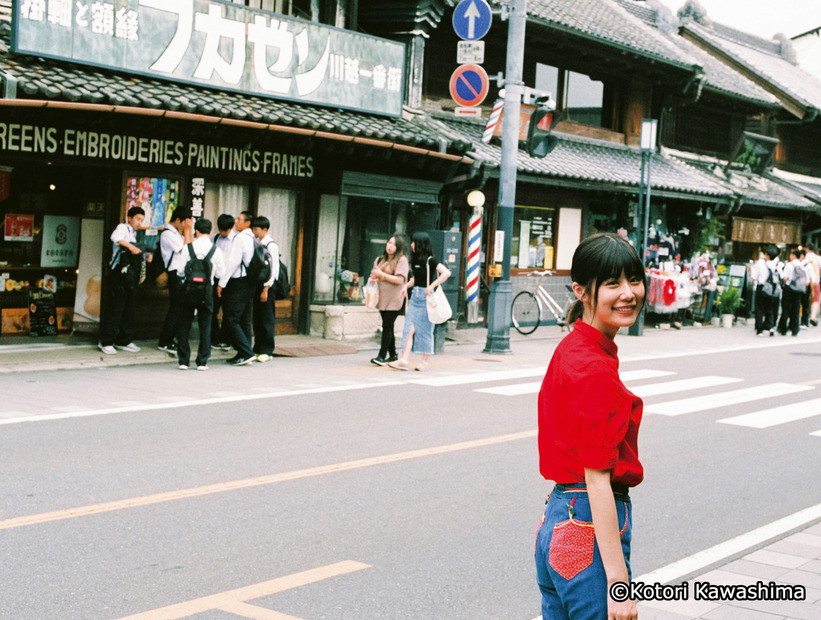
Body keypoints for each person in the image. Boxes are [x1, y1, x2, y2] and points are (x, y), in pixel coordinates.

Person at [534, 233, 646, 620]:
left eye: (634, 279)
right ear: (581, 290)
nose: (628, 293)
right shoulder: (594, 367)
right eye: (613, 283)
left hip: (558, 520)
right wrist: (620, 586)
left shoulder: (574, 348)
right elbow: (597, 477)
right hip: (587, 525)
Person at [388, 231, 451, 372]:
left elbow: (446, 273)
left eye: (414, 242)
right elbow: (416, 279)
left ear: (420, 244)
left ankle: (424, 361)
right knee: (408, 328)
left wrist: (432, 286)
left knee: (426, 330)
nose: (411, 244)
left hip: (426, 298)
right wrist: (406, 286)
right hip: (415, 297)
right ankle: (404, 359)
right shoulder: (415, 260)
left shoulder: (430, 260)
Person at [175, 218, 224, 370]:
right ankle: (202, 361)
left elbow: (180, 271)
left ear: (196, 231)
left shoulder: (188, 248)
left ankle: (183, 361)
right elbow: (221, 273)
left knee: (184, 324)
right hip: (206, 290)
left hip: (188, 290)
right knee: (206, 325)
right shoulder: (216, 250)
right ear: (210, 232)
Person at [98, 206, 147, 355]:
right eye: (137, 219)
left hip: (130, 276)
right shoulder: (122, 228)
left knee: (128, 308)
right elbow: (115, 238)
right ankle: (105, 341)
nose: (139, 222)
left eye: (142, 220)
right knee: (116, 307)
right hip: (118, 275)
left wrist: (145, 256)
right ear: (130, 218)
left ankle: (123, 340)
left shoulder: (134, 234)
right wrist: (131, 247)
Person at [217, 210, 257, 366]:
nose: (236, 221)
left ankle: (246, 352)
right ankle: (244, 352)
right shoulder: (253, 238)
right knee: (244, 320)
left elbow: (232, 262)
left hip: (238, 282)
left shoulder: (240, 238)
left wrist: (222, 283)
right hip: (249, 282)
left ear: (247, 223)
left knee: (231, 319)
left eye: (239, 219)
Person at [156, 208, 194, 355]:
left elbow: (191, 248)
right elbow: (184, 250)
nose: (186, 226)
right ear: (178, 220)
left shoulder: (176, 233)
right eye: (185, 222)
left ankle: (172, 339)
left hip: (182, 275)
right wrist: (187, 231)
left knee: (179, 309)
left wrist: (188, 230)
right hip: (175, 275)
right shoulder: (167, 234)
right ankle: (165, 341)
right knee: (176, 308)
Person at [369, 234, 409, 366]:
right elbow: (374, 273)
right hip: (382, 298)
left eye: (393, 244)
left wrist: (382, 275)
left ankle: (381, 355)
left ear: (398, 247)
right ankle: (392, 355)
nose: (390, 246)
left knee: (387, 325)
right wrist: (374, 277)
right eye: (389, 243)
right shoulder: (380, 259)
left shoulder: (402, 260)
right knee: (388, 326)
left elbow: (399, 280)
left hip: (394, 299)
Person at [250, 216, 280, 363]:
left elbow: (274, 270)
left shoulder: (271, 245)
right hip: (257, 285)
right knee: (257, 318)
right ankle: (258, 347)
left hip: (267, 286)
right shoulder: (257, 243)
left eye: (256, 229)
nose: (254, 232)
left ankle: (267, 350)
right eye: (253, 229)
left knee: (266, 318)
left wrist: (266, 288)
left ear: (264, 230)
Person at [211, 214, 236, 351]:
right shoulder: (215, 238)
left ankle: (226, 339)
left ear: (231, 228)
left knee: (228, 311)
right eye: (220, 229)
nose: (222, 233)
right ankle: (215, 337)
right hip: (216, 279)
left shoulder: (236, 240)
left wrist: (223, 282)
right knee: (212, 309)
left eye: (225, 230)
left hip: (230, 280)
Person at [752, 245, 780, 337]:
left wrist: (751, 270)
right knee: (770, 308)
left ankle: (759, 329)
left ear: (767, 255)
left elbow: (754, 276)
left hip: (762, 287)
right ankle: (770, 327)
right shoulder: (777, 264)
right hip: (772, 288)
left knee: (759, 308)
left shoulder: (761, 263)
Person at [778, 247, 803, 337]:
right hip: (798, 289)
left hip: (789, 289)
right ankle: (795, 329)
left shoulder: (789, 265)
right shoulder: (802, 265)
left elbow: (785, 278)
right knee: (796, 309)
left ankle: (783, 328)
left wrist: (784, 285)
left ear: (793, 256)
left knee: (786, 308)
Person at [805, 243, 821, 326]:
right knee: (815, 299)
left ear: (806, 248)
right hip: (815, 281)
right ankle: (813, 317)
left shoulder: (803, 256)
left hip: (804, 281)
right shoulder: (818, 258)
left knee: (803, 300)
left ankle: (803, 317)